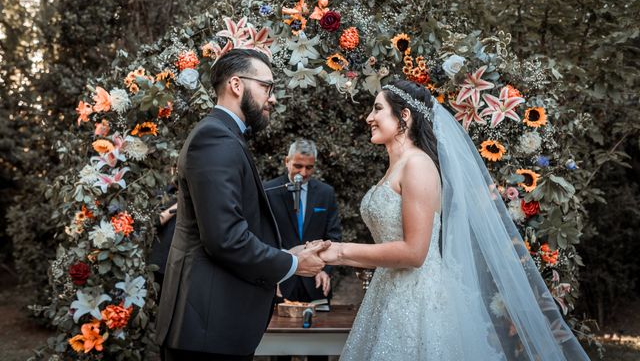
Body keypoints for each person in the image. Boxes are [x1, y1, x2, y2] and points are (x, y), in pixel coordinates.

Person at [319, 79, 590, 360]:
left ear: (405, 116)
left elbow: (414, 253)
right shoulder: (396, 168)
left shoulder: (418, 165)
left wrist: (339, 252)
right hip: (388, 291)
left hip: (418, 299)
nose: (369, 117)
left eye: (377, 109)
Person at [155, 48, 329, 361]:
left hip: (211, 328)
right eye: (267, 87)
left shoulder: (224, 135)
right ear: (237, 85)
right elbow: (225, 238)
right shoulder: (215, 139)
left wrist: (284, 253)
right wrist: (292, 265)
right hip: (206, 330)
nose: (272, 98)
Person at [265, 139, 342, 305]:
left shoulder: (325, 193)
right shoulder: (268, 191)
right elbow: (263, 235)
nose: (304, 173)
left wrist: (326, 270)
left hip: (315, 281)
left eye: (309, 167)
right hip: (280, 280)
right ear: (287, 161)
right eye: (298, 166)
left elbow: (333, 235)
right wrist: (272, 273)